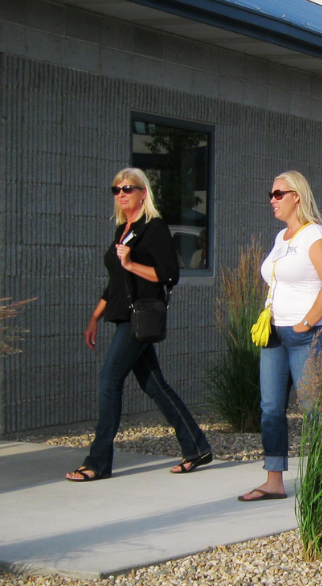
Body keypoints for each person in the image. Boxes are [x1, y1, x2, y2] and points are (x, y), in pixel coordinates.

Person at [66, 168, 213, 481]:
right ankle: (196, 446)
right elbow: (116, 282)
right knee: (154, 385)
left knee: (109, 381)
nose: (121, 194)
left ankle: (98, 462)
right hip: (124, 317)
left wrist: (132, 263)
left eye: (128, 189)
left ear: (143, 193)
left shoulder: (154, 227)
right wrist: (94, 317)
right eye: (116, 189)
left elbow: (170, 274)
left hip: (140, 317)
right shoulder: (123, 229)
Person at [238, 171, 322, 501]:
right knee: (270, 408)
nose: (272, 198)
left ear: (297, 196)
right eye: (271, 193)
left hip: (305, 336)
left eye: (279, 193)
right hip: (274, 334)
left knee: (315, 409)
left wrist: (308, 322)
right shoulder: (282, 238)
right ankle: (273, 480)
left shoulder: (316, 236)